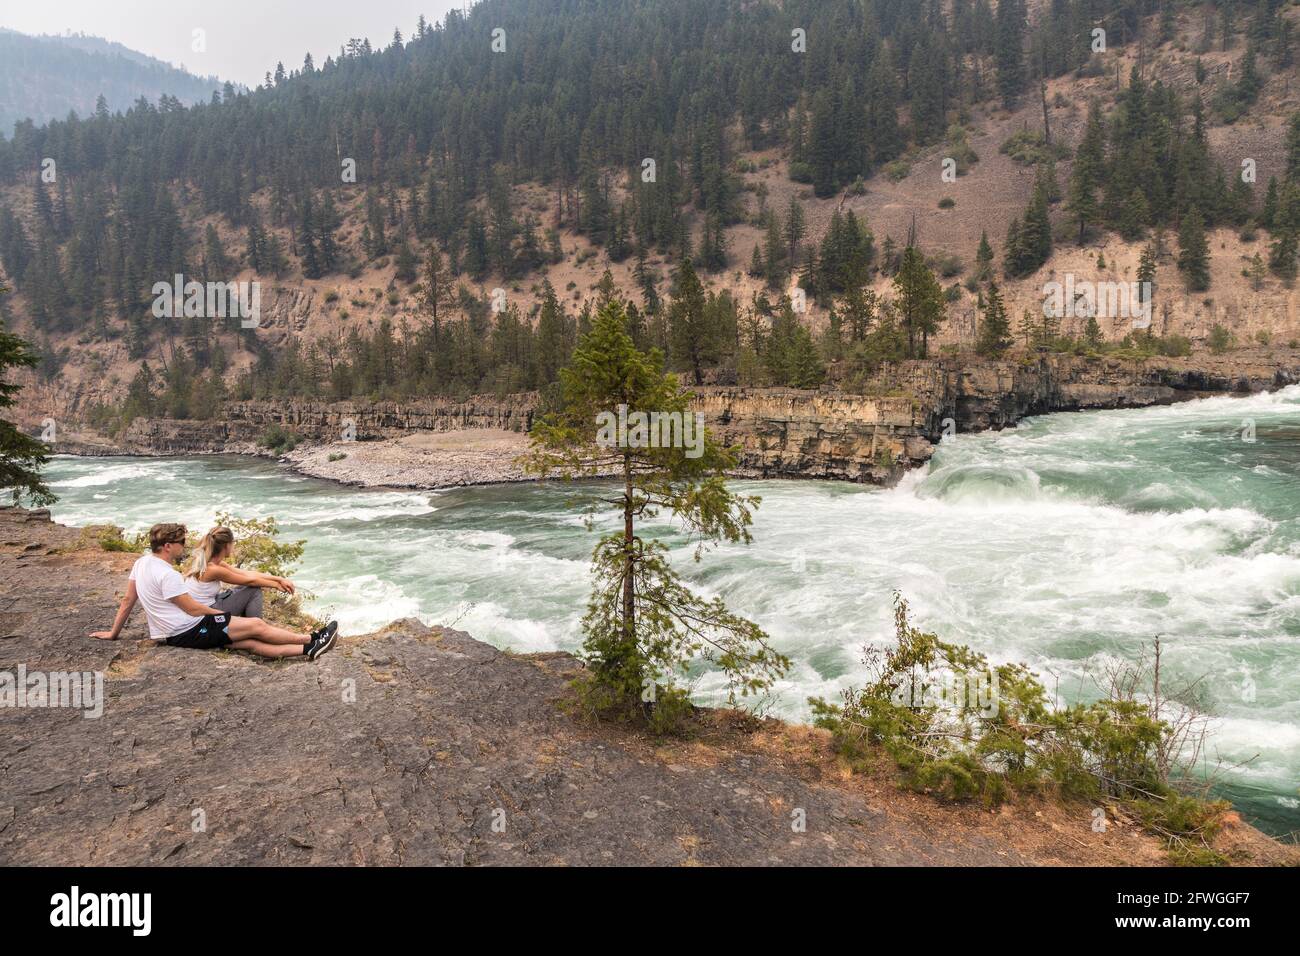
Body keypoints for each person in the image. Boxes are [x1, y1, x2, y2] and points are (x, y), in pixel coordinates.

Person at [90, 523, 337, 660]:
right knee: (256, 627)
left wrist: (114, 633)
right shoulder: (168, 575)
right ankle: (314, 638)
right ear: (167, 547)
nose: (184, 548)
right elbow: (192, 609)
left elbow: (127, 600)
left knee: (249, 642)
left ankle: (308, 650)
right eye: (181, 544)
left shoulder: (142, 563)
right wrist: (227, 619)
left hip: (177, 631)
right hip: (187, 629)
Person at [182, 526, 295, 620]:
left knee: (248, 587)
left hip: (207, 605)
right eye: (233, 543)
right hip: (206, 613)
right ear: (227, 545)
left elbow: (246, 574)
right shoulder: (214, 569)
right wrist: (276, 585)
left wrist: (279, 579)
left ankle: (251, 626)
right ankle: (255, 628)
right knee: (253, 589)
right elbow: (250, 580)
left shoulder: (211, 562)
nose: (233, 546)